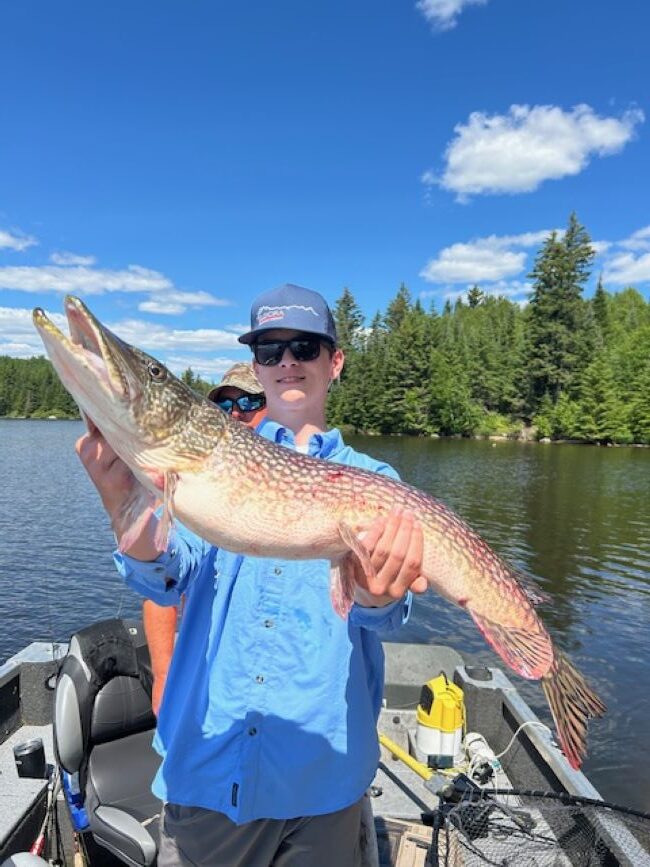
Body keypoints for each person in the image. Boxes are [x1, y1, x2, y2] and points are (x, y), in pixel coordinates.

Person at [76, 283, 427, 867]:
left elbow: (386, 612)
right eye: (269, 351)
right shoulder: (208, 462)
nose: (287, 361)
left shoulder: (375, 477)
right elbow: (166, 575)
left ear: (334, 362)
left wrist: (373, 592)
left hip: (324, 780)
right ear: (258, 368)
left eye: (305, 346)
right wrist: (126, 516)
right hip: (210, 771)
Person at [143, 362, 266, 715]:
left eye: (249, 402)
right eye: (225, 406)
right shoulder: (197, 488)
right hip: (212, 693)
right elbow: (162, 584)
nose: (236, 413)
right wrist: (164, 673)